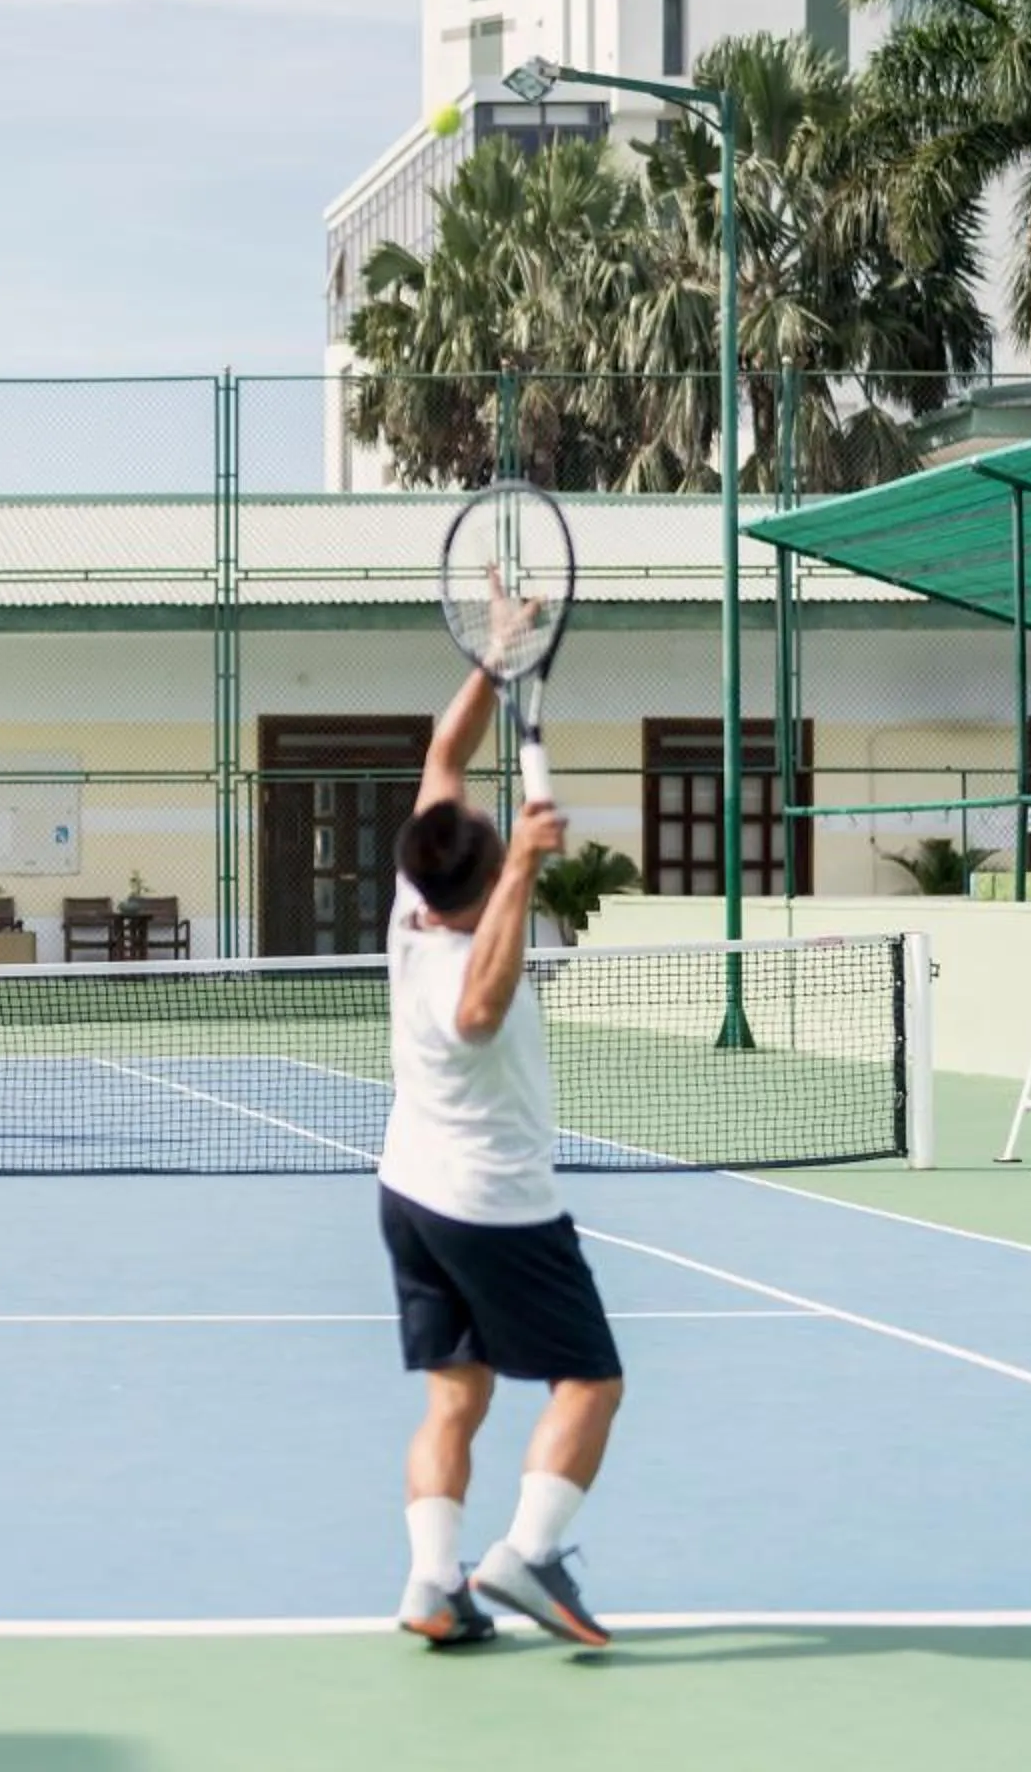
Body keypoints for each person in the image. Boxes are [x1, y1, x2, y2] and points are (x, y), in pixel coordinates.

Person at [383, 646, 623, 1649]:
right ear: (483, 878)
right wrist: (526, 863)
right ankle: (526, 1551)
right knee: (591, 1380)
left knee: (459, 1391)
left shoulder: (415, 888)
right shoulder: (456, 967)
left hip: (408, 1192)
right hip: (495, 1203)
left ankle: (433, 1582)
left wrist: (492, 657)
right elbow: (481, 1010)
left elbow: (446, 746)